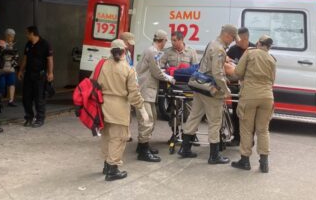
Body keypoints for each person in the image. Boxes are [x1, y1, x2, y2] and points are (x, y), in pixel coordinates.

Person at [179, 24, 238, 164]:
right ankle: (214, 155)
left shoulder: (212, 43)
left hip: (200, 86)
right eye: (233, 38)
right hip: (211, 89)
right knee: (215, 122)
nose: (233, 41)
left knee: (194, 116)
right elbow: (217, 74)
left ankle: (185, 148)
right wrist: (226, 90)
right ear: (227, 35)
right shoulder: (219, 49)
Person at [98, 39, 148, 181]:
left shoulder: (101, 65)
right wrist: (142, 108)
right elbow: (134, 93)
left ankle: (106, 165)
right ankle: (113, 169)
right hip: (119, 108)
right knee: (118, 138)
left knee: (106, 136)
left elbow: (93, 83)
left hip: (102, 106)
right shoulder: (128, 69)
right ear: (124, 51)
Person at [231, 35, 276, 173]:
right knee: (263, 130)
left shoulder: (250, 53)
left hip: (250, 95)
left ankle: (245, 161)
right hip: (267, 97)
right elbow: (272, 81)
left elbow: (237, 73)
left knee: (246, 129)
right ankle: (264, 163)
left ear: (258, 43)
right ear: (269, 46)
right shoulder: (272, 59)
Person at [135, 29, 176, 162]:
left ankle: (143, 145)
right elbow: (156, 72)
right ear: (162, 40)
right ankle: (143, 151)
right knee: (147, 120)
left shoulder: (152, 51)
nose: (165, 43)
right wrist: (169, 78)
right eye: (165, 41)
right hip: (144, 90)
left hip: (149, 90)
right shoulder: (153, 52)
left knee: (153, 117)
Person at [18, 26, 54, 128]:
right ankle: (29, 117)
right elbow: (25, 58)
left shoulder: (45, 44)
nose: (26, 35)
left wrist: (50, 73)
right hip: (29, 74)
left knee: (39, 98)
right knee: (26, 98)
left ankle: (40, 119)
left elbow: (50, 59)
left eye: (27, 33)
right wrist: (21, 70)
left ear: (32, 33)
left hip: (40, 75)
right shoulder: (28, 44)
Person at [226, 27, 255, 146]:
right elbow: (226, 64)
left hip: (250, 88)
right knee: (237, 113)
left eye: (237, 39)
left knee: (249, 116)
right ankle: (237, 137)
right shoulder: (233, 50)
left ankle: (249, 140)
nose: (235, 41)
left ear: (245, 38)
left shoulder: (254, 50)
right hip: (236, 88)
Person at [0, 28, 19, 107]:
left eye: (13, 36)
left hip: (11, 67)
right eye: (10, 36)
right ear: (6, 36)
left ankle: (11, 100)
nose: (12, 37)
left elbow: (16, 56)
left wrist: (14, 64)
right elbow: (0, 54)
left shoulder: (14, 46)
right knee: (1, 84)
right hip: (2, 67)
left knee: (12, 83)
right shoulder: (1, 44)